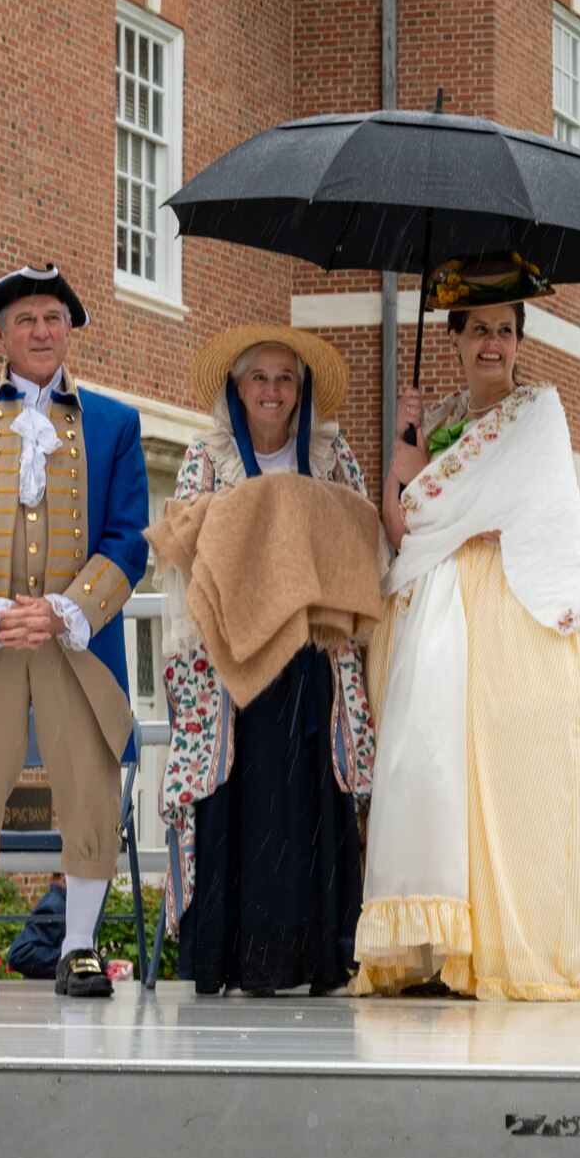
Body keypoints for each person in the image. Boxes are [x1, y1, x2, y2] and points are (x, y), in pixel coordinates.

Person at [352, 260, 580, 1000]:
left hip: (508, 620)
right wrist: (402, 455)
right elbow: (406, 527)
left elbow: (497, 509)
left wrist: (440, 504)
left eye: (505, 331)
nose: (492, 344)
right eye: (478, 331)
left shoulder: (538, 413)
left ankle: (507, 947)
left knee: (507, 781)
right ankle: (444, 943)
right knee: (441, 775)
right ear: (456, 339)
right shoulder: (436, 423)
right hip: (439, 618)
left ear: (519, 341)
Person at [0, 266, 150, 999]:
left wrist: (63, 610)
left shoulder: (115, 422)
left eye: (54, 318)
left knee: (87, 784)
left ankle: (78, 946)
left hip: (75, 637)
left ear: (70, 329)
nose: (42, 331)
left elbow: (129, 539)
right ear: (0, 335)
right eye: (27, 320)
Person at [151, 325, 380, 996]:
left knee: (306, 810)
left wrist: (298, 525)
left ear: (300, 391)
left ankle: (312, 954)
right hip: (236, 667)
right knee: (240, 806)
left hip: (311, 663)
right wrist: (254, 522)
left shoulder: (332, 460)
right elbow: (188, 543)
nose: (272, 391)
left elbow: (358, 543)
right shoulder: (207, 457)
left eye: (285, 379)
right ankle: (235, 955)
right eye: (260, 379)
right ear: (239, 389)